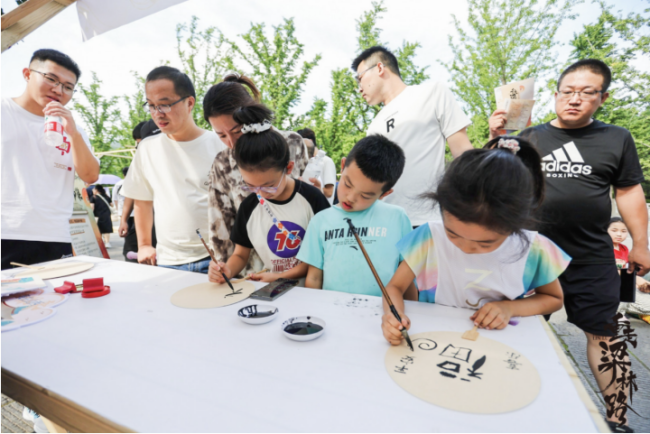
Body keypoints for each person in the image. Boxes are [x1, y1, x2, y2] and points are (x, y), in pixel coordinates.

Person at [489, 59, 649, 431]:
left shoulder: (616, 138)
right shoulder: (530, 136)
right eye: (568, 91)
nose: (575, 99)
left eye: (587, 92)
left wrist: (640, 243)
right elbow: (495, 173)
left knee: (607, 335)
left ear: (603, 97)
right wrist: (496, 134)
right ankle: (505, 405)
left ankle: (618, 419)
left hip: (590, 255)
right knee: (513, 327)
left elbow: (627, 191)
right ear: (556, 94)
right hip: (528, 253)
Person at [382, 137, 569, 343]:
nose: (466, 247)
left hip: (499, 342)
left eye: (485, 243)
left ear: (516, 224)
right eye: (452, 234)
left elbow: (554, 299)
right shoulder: (429, 236)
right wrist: (393, 315)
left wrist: (510, 308)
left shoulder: (534, 248)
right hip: (433, 336)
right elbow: (395, 288)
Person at [352, 46, 473, 227]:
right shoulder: (374, 126)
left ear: (379, 68)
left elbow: (463, 153)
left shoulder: (432, 93)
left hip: (427, 222)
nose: (359, 88)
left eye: (359, 78)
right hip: (383, 226)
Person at [208, 105, 330, 285]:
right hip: (272, 289)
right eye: (250, 186)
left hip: (312, 290)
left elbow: (320, 256)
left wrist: (279, 276)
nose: (260, 193)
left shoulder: (312, 198)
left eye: (269, 186)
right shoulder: (249, 206)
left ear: (288, 168)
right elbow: (240, 255)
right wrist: (227, 269)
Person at [1, 49, 99, 269]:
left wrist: (73, 133)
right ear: (27, 74)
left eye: (67, 87)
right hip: (7, 232)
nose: (58, 90)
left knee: (57, 301)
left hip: (55, 235)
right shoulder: (4, 112)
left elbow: (91, 175)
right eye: (51, 79)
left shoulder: (74, 129)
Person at [120, 66, 225, 273]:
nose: (157, 114)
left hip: (217, 258)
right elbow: (142, 200)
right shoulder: (147, 148)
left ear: (189, 102)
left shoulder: (219, 144)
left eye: (165, 105)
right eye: (151, 105)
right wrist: (144, 245)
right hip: (168, 259)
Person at [203, 73, 310, 276]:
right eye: (221, 135)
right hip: (250, 275)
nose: (231, 143)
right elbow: (221, 228)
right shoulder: (222, 163)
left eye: (236, 131)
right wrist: (223, 271)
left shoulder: (293, 143)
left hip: (297, 270)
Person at [298, 134, 416, 298]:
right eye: (347, 184)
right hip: (332, 312)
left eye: (366, 196)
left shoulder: (397, 218)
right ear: (343, 165)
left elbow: (408, 277)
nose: (351, 198)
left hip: (383, 315)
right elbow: (314, 276)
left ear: (385, 193)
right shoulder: (320, 220)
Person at [608, 217, 650, 324]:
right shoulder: (603, 249)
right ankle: (617, 314)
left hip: (626, 288)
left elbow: (628, 272)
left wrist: (643, 284)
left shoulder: (624, 249)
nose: (619, 234)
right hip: (609, 288)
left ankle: (629, 309)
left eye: (623, 231)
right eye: (614, 230)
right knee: (622, 285)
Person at [297, 128, 338, 205]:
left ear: (310, 141)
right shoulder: (305, 162)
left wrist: (309, 188)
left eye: (300, 145)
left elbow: (329, 192)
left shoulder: (326, 161)